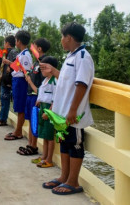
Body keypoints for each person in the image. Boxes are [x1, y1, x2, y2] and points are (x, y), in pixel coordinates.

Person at [41, 22, 94, 195]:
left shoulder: (83, 57)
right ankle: (64, 176)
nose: (61, 40)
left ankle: (73, 181)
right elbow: (67, 80)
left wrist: (73, 110)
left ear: (69, 37)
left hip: (74, 114)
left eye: (62, 37)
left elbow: (81, 85)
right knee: (64, 144)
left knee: (74, 145)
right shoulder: (71, 56)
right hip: (62, 113)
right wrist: (53, 70)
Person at [17, 38, 50, 155]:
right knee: (31, 120)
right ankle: (30, 144)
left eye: (34, 46)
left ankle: (33, 145)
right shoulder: (36, 62)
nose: (32, 47)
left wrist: (31, 83)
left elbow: (44, 83)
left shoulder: (44, 63)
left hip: (36, 96)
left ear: (39, 48)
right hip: (30, 94)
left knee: (34, 121)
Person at [28, 56, 58, 168]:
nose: (41, 70)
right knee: (45, 135)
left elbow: (56, 99)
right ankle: (44, 156)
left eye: (43, 68)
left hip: (49, 110)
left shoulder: (54, 81)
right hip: (43, 108)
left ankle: (49, 159)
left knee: (50, 137)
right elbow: (42, 93)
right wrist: (38, 100)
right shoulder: (45, 80)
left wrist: (49, 112)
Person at [3, 30, 32, 140]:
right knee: (18, 106)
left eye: (16, 40)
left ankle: (18, 131)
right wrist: (9, 63)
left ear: (18, 41)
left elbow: (25, 71)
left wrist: (10, 64)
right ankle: (18, 130)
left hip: (21, 82)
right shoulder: (21, 54)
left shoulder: (25, 55)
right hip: (17, 81)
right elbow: (18, 67)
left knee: (20, 108)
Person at [0, 35, 18, 126]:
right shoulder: (6, 52)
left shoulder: (13, 52)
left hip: (8, 80)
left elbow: (16, 64)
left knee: (5, 101)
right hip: (4, 80)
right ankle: (1, 117)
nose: (4, 44)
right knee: (3, 100)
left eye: (4, 42)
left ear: (7, 43)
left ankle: (3, 119)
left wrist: (10, 66)